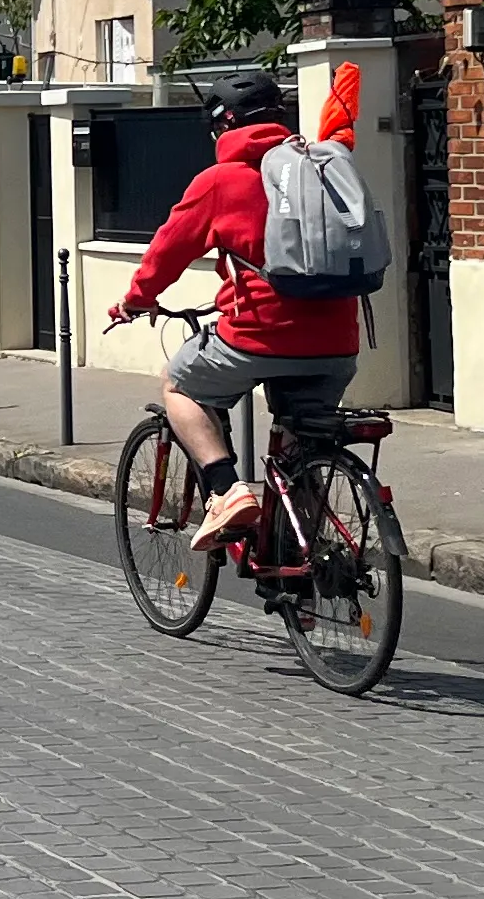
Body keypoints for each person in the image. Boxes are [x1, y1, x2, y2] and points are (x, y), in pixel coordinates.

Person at [108, 72, 363, 555]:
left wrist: (135, 299)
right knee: (301, 447)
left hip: (259, 335)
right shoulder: (317, 168)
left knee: (178, 384)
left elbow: (166, 253)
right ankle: (303, 564)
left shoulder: (220, 181)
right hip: (337, 342)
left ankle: (226, 492)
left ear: (224, 126)